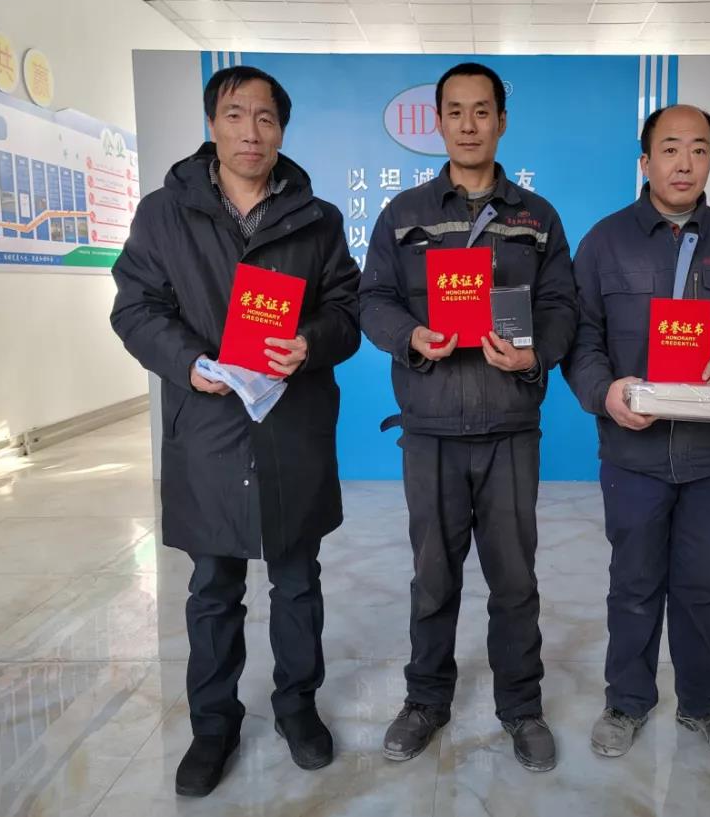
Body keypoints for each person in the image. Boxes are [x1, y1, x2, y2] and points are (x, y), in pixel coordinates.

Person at [110, 66, 360, 796]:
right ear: (212, 124)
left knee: (297, 581)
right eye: (235, 115)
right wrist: (188, 363)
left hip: (291, 422)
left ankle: (297, 708)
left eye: (266, 118)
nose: (251, 132)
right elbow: (135, 308)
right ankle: (213, 724)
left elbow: (347, 310)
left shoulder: (318, 218)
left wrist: (310, 342)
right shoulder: (165, 212)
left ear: (282, 130)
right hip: (209, 424)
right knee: (213, 587)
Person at [359, 62, 577, 772]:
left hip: (510, 428)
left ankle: (522, 707)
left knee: (515, 581)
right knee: (432, 578)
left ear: (501, 121)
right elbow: (373, 300)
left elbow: (562, 304)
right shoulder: (404, 214)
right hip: (430, 430)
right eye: (455, 111)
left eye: (482, 111)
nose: (469, 124)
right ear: (438, 122)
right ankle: (425, 701)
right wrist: (410, 336)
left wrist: (537, 353)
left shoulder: (536, 218)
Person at [563, 104, 710, 764]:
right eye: (669, 149)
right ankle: (627, 699)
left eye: (698, 149)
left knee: (700, 583)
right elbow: (580, 335)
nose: (684, 162)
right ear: (646, 161)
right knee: (634, 582)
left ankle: (706, 702)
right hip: (632, 451)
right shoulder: (606, 242)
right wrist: (604, 392)